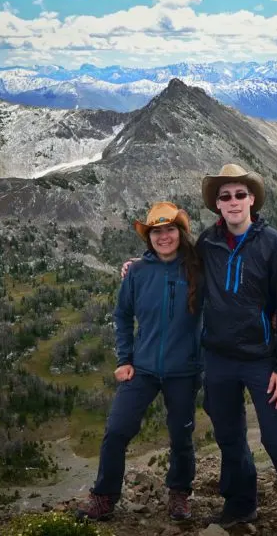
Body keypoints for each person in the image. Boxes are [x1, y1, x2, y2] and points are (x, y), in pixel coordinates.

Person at [121, 164, 277, 534]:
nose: (234, 201)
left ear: (252, 200)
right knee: (230, 437)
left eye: (240, 194)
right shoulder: (207, 243)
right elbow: (173, 260)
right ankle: (241, 505)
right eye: (226, 196)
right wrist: (136, 265)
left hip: (261, 360)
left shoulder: (276, 246)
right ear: (217, 205)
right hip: (219, 359)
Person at [77, 201, 203, 523]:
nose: (164, 237)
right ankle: (104, 498)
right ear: (149, 237)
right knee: (117, 430)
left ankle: (179, 496)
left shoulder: (198, 268)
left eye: (170, 229)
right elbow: (122, 315)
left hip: (183, 371)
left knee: (181, 437)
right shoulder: (137, 272)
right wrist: (124, 359)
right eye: (156, 231)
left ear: (181, 232)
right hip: (143, 368)